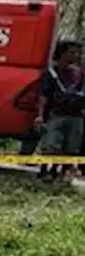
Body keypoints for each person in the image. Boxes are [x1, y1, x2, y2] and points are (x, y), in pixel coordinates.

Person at [34, 39, 84, 181]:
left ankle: (61, 173)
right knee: (51, 144)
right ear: (62, 53)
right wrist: (40, 116)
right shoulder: (52, 73)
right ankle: (44, 171)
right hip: (57, 114)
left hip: (76, 116)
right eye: (72, 52)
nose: (76, 55)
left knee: (71, 146)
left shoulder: (79, 74)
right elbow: (44, 95)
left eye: (78, 52)